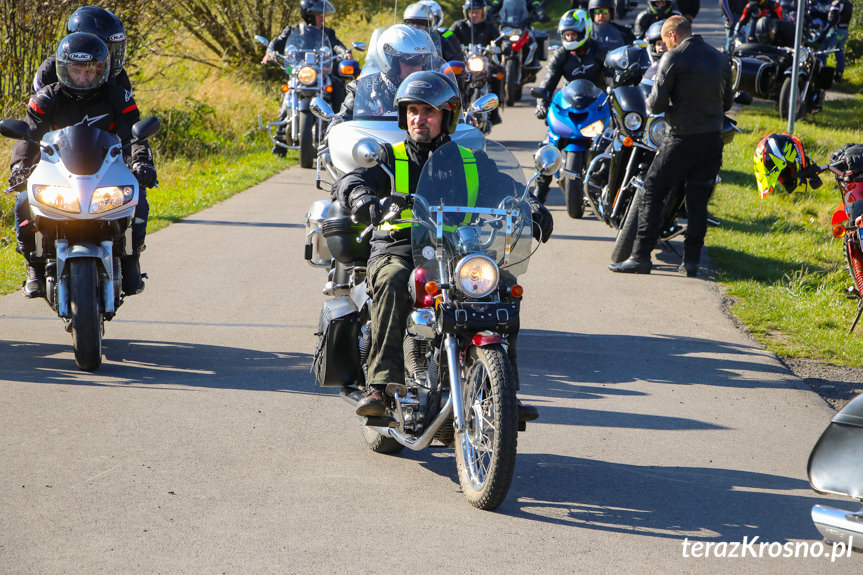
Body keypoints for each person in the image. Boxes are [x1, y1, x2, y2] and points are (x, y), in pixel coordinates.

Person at [335, 70, 552, 422]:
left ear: (446, 116)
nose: (419, 119)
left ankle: (504, 391)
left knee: (503, 286)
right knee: (392, 281)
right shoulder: (391, 158)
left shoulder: (470, 160)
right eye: (413, 111)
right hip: (398, 247)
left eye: (429, 111)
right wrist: (361, 197)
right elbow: (354, 179)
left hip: (456, 251)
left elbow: (508, 189)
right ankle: (380, 386)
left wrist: (532, 209)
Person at [8, 32, 156, 297]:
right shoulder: (47, 98)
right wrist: (20, 166)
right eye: (77, 71)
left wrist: (142, 162)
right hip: (58, 172)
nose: (85, 77)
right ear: (64, 70)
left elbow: (133, 134)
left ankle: (131, 261)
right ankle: (34, 266)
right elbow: (28, 135)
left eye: (91, 71)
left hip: (108, 169)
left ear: (102, 70)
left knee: (139, 196)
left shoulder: (117, 96)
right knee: (22, 202)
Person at [609, 16, 733, 277]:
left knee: (652, 190)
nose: (664, 46)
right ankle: (691, 262)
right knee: (698, 201)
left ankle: (641, 257)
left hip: (680, 138)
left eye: (665, 41)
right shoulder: (720, 58)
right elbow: (728, 103)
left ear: (673, 35)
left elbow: (655, 105)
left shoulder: (673, 58)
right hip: (712, 141)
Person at [262, 0, 349, 156]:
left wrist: (344, 52)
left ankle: (340, 127)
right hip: (301, 72)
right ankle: (280, 142)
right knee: (288, 94)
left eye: (322, 15)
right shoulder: (293, 30)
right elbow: (278, 42)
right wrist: (270, 51)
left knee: (337, 86)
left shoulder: (327, 33)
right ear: (308, 16)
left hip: (321, 72)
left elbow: (336, 45)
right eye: (318, 15)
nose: (322, 18)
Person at [338, 24, 437, 120]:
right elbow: (338, 127)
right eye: (409, 60)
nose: (416, 67)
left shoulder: (431, 89)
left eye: (422, 60)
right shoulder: (362, 89)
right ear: (391, 60)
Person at [32, 6, 131, 95]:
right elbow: (38, 112)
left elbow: (129, 114)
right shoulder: (49, 71)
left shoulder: (119, 76)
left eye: (116, 49)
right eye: (107, 48)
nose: (112, 56)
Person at [451, 0, 505, 125]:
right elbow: (447, 34)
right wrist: (446, 38)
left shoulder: (489, 27)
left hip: (484, 61)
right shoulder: (459, 26)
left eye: (477, 12)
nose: (474, 15)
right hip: (465, 62)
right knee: (454, 75)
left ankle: (495, 110)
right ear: (467, 13)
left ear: (483, 12)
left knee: (499, 72)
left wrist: (505, 44)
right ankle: (454, 108)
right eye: (471, 12)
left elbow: (500, 38)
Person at [821, 0, 853, 82]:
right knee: (839, 53)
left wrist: (824, 32)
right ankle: (839, 74)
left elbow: (832, 19)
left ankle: (821, 73)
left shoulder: (837, 3)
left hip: (837, 31)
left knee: (823, 52)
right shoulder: (848, 4)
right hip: (845, 31)